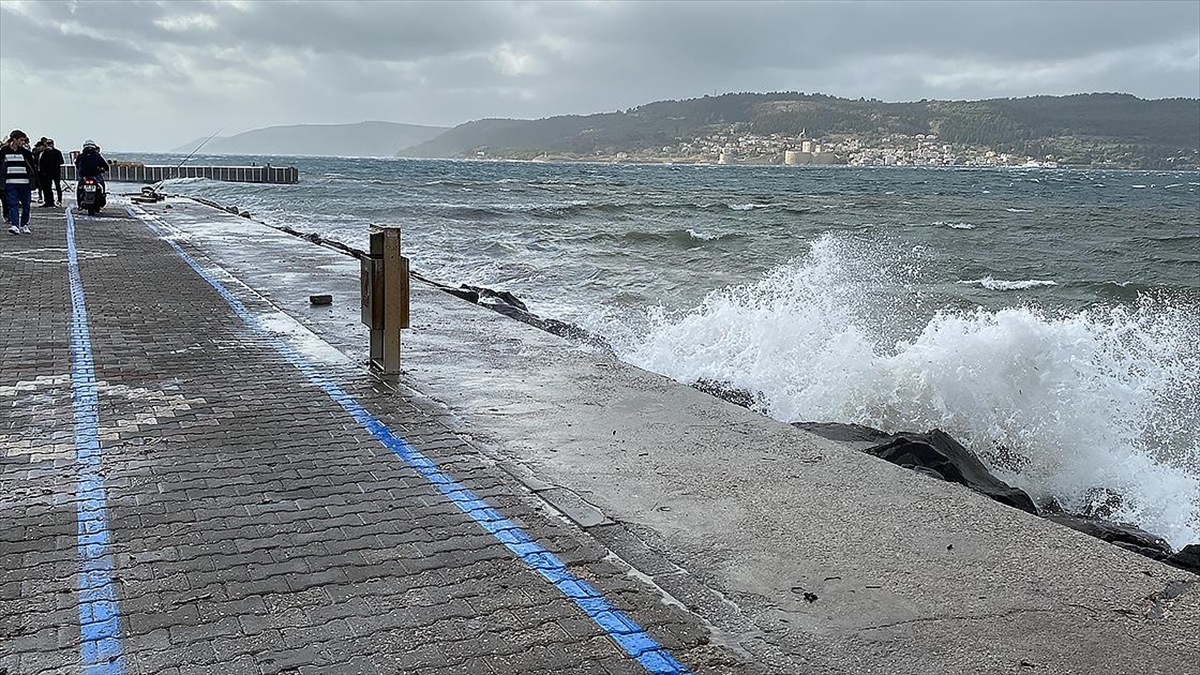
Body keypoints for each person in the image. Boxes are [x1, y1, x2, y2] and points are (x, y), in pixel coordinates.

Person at [2, 129, 36, 235]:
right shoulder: (3, 152)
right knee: (13, 204)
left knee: (26, 204)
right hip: (10, 183)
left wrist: (34, 182)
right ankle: (15, 225)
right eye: (21, 140)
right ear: (14, 139)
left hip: (25, 183)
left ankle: (24, 224)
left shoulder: (26, 153)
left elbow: (32, 168)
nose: (23, 142)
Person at [37, 138, 65, 207]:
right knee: (47, 187)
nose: (49, 145)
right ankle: (49, 201)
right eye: (48, 144)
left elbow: (61, 161)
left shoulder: (56, 152)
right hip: (49, 173)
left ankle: (59, 200)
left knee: (56, 186)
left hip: (53, 172)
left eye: (50, 144)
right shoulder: (45, 152)